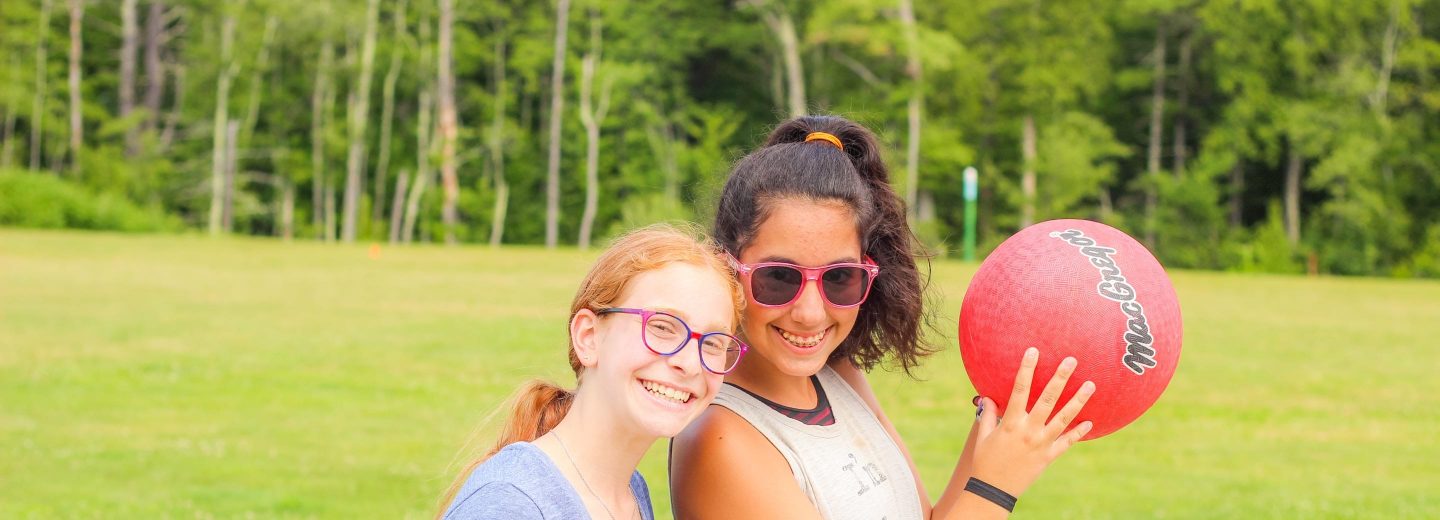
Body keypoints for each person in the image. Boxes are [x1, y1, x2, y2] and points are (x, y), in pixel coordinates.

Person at [670, 116, 1096, 519]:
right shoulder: (719, 438)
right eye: (779, 278)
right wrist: (995, 486)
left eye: (841, 279)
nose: (810, 312)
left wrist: (997, 417)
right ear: (726, 267)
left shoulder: (836, 375)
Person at [439, 225, 748, 520]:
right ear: (588, 336)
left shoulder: (629, 492)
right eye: (662, 327)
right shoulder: (512, 502)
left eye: (714, 343)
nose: (690, 363)